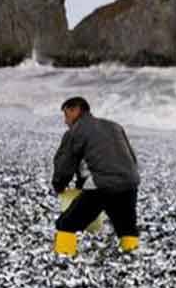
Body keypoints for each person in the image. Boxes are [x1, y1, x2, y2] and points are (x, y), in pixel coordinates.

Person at [51, 96, 140, 256]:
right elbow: (130, 157)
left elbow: (65, 164)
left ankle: (63, 257)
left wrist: (59, 185)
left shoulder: (76, 131)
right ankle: (131, 254)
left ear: (76, 109)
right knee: (126, 226)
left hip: (102, 186)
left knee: (66, 223)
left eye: (66, 115)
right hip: (129, 183)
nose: (65, 121)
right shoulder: (115, 126)